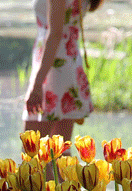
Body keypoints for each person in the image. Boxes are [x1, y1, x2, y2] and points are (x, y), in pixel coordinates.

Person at [23, 0, 104, 142]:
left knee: (32, 151)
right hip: (70, 65)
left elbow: (55, 34)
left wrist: (37, 85)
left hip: (51, 68)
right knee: (60, 152)